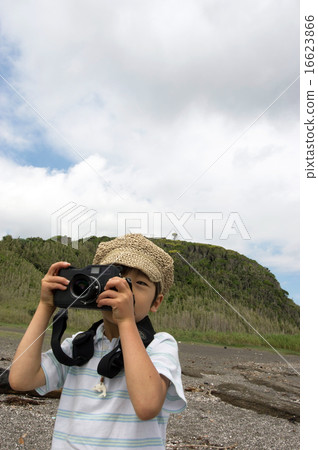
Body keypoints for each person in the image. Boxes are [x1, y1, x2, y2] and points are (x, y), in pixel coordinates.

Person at [9, 234, 186, 449]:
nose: (123, 289)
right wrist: (46, 306)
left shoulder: (160, 345)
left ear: (156, 302)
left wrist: (127, 321)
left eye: (138, 283)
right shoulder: (79, 345)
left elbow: (147, 405)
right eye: (114, 278)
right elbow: (20, 379)